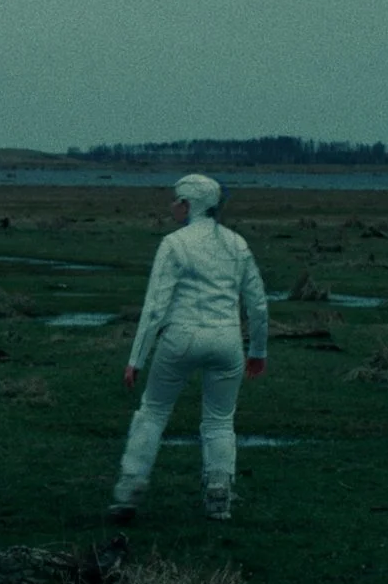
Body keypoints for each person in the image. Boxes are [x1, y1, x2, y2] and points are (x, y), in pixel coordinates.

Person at [109, 174, 268, 523]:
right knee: (219, 421)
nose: (172, 206)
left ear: (189, 204)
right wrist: (257, 350)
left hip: (180, 338)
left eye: (177, 200)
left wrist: (136, 358)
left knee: (152, 412)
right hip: (227, 341)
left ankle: (129, 489)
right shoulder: (237, 244)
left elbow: (154, 308)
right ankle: (218, 495)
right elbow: (257, 304)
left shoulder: (173, 244)